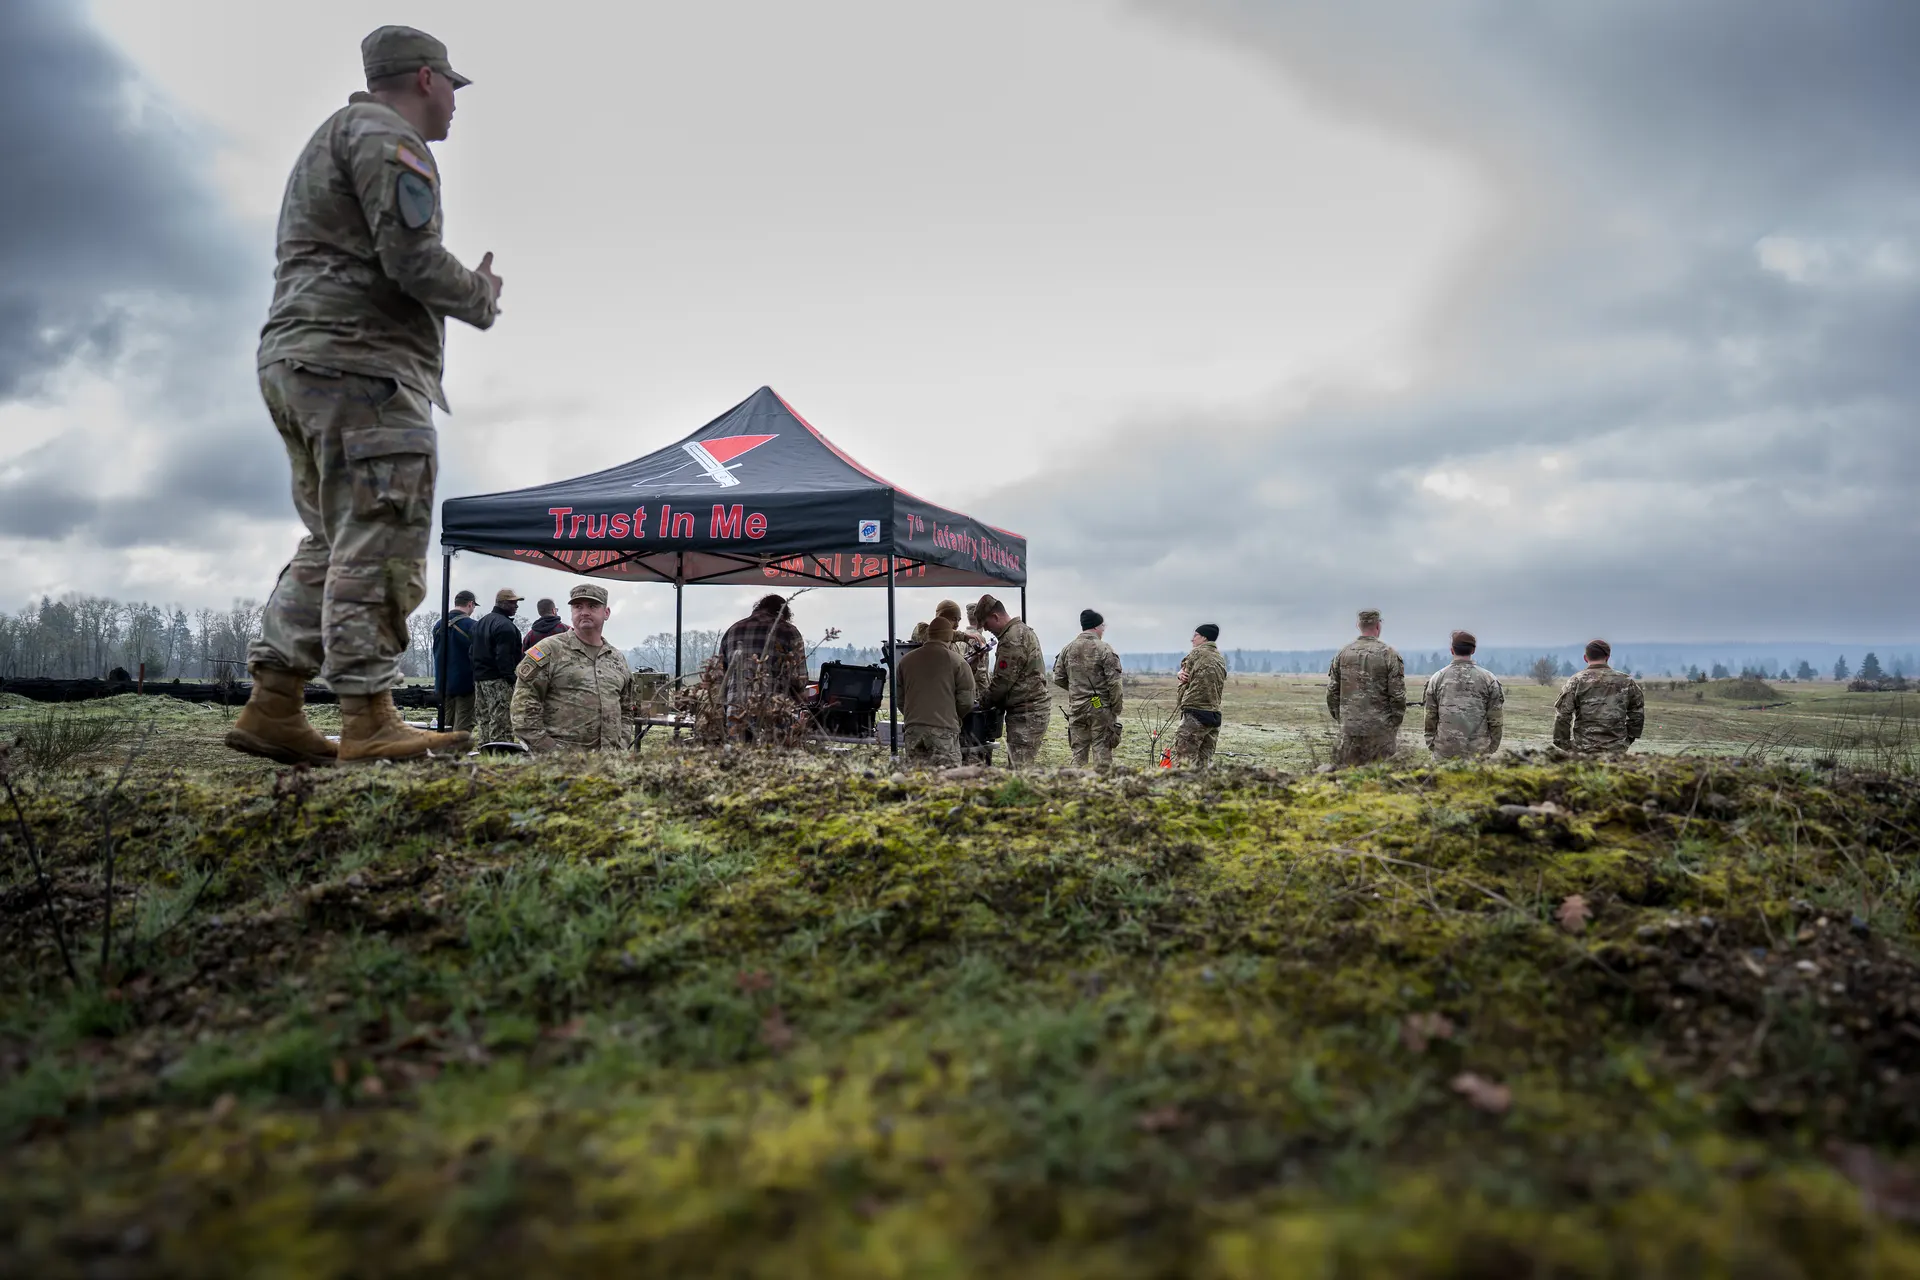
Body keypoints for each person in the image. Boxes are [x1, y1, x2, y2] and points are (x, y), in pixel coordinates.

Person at [230, 25, 501, 765]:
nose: (455, 103)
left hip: (301, 361)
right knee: (382, 530)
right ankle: (369, 715)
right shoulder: (387, 136)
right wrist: (478, 295)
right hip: (360, 368)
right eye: (452, 85)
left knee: (333, 537)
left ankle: (274, 704)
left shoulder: (334, 136)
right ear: (424, 78)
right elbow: (411, 258)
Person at [510, 584, 639, 752]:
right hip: (560, 766)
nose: (584, 612)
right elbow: (523, 708)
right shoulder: (549, 651)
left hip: (608, 766)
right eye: (578, 606)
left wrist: (620, 745)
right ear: (571, 612)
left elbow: (626, 709)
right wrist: (551, 751)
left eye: (592, 606)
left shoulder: (616, 659)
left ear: (606, 613)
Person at [718, 594, 809, 743]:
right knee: (770, 761)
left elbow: (720, 676)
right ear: (784, 614)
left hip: (736, 709)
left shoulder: (733, 630)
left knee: (739, 760)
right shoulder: (788, 631)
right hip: (773, 711)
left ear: (758, 607)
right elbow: (798, 679)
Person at [975, 594, 1048, 767]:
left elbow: (1002, 683)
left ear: (995, 617)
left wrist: (980, 704)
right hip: (1029, 711)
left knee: (1018, 769)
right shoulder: (1022, 630)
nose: (986, 629)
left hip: (1027, 714)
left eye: (986, 624)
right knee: (1019, 766)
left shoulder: (1011, 639)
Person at [1326, 609, 1405, 767]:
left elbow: (1332, 693)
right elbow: (1397, 696)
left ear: (1358, 625)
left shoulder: (1343, 653)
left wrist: (1342, 718)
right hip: (1380, 730)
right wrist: (1392, 724)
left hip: (1350, 730)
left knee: (1348, 776)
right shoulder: (1389, 654)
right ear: (1378, 626)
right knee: (1382, 777)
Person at [896, 616, 976, 768]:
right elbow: (966, 701)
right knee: (947, 781)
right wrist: (951, 716)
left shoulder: (905, 661)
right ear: (949, 637)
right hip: (944, 732)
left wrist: (914, 716)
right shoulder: (958, 662)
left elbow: (900, 699)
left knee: (917, 779)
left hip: (913, 731)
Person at [1052, 609, 1124, 768]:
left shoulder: (1067, 649)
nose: (1104, 629)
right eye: (1103, 626)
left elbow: (1057, 678)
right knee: (1102, 751)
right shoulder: (1105, 649)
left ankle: (1074, 786)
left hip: (1076, 708)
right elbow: (1115, 683)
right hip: (1100, 708)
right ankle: (1101, 787)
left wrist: (1077, 690)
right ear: (1097, 627)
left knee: (1078, 754)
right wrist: (1115, 708)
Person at [1554, 639, 1645, 757]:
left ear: (1585, 658)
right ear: (1607, 657)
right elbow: (1637, 714)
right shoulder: (1626, 682)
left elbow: (1563, 714)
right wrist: (1627, 740)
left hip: (1584, 749)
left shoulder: (1576, 681)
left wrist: (1565, 744)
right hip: (1617, 749)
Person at [1424, 630, 1504, 759]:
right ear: (1473, 650)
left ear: (1452, 650)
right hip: (1478, 753)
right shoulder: (1489, 679)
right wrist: (1491, 747)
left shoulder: (1437, 678)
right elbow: (1496, 720)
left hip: (1445, 751)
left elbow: (1430, 717)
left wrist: (1432, 744)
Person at [470, 588, 524, 743]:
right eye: (513, 603)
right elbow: (504, 657)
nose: (516, 606)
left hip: (480, 680)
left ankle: (485, 751)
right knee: (501, 721)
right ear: (503, 603)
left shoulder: (480, 623)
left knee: (484, 719)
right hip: (498, 681)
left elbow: (471, 652)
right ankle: (501, 753)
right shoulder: (505, 626)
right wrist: (512, 679)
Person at [1173, 623, 1228, 769]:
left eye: (1195, 635)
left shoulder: (1196, 654)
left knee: (1184, 761)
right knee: (1205, 763)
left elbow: (1185, 678)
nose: (1192, 640)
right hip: (1214, 714)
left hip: (1194, 714)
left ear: (1203, 637)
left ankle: (1183, 789)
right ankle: (1204, 789)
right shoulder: (1219, 658)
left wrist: (1179, 676)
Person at [432, 589, 478, 731]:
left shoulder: (438, 625)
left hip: (443, 683)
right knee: (464, 723)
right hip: (465, 683)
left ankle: (442, 750)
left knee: (445, 724)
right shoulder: (472, 626)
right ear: (470, 604)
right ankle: (458, 751)